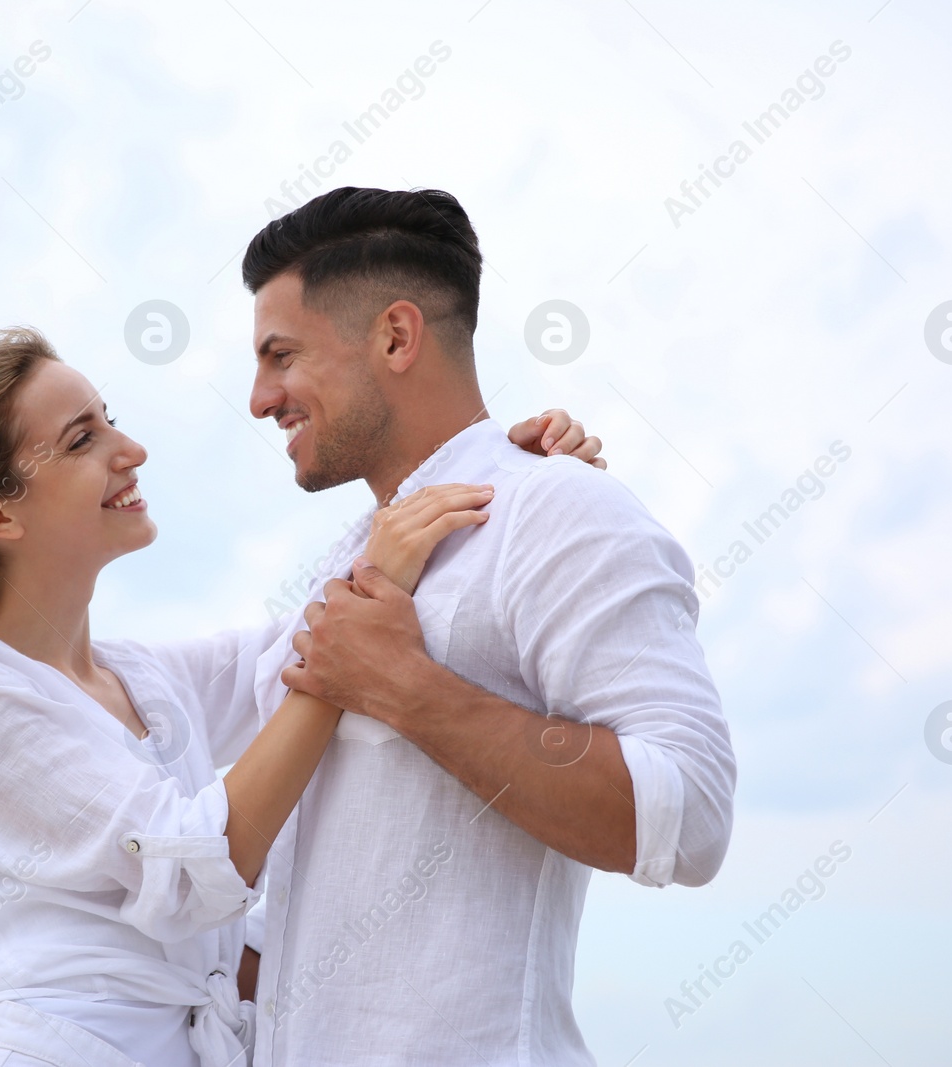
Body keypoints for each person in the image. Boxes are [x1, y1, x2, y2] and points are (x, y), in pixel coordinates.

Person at [0, 327, 605, 1067]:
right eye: (81, 440)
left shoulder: (145, 680)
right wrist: (362, 621)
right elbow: (194, 864)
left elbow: (308, 637)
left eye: (110, 419)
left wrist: (504, 477)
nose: (130, 449)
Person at [187, 187, 734, 1065]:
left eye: (280, 355)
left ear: (397, 337)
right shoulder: (347, 562)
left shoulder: (558, 506)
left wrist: (407, 689)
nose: (259, 398)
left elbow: (694, 813)